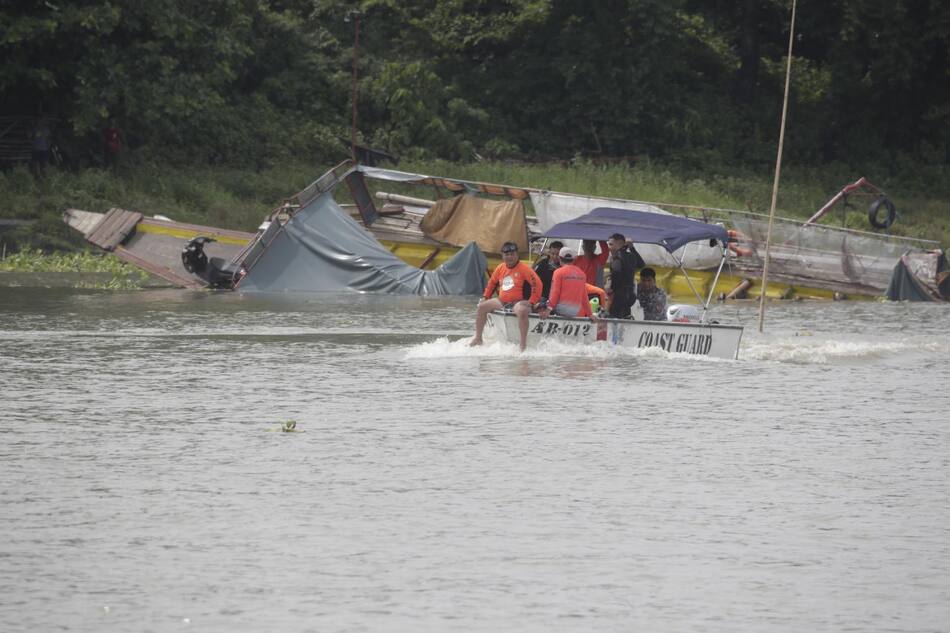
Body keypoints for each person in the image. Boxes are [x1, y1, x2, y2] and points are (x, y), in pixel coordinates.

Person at [470, 241, 543, 351]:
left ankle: (523, 345)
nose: (509, 257)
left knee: (522, 311)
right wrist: (485, 297)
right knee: (481, 307)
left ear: (517, 255)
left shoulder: (525, 269)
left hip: (519, 302)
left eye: (512, 254)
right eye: (507, 254)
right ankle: (478, 338)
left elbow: (537, 284)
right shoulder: (500, 268)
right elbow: (491, 283)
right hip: (502, 301)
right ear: (502, 256)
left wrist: (532, 301)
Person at [542, 247, 600, 320]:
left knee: (540, 304)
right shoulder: (582, 274)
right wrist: (590, 314)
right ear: (573, 259)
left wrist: (548, 309)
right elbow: (584, 296)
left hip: (560, 309)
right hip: (575, 310)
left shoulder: (558, 272)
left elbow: (555, 292)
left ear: (560, 258)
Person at [606, 232, 645, 319]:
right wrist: (632, 248)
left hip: (618, 296)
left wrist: (610, 289)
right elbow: (641, 264)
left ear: (620, 244)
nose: (609, 247)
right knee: (625, 318)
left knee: (613, 319)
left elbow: (616, 274)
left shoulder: (616, 257)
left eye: (611, 244)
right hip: (630, 296)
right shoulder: (631, 256)